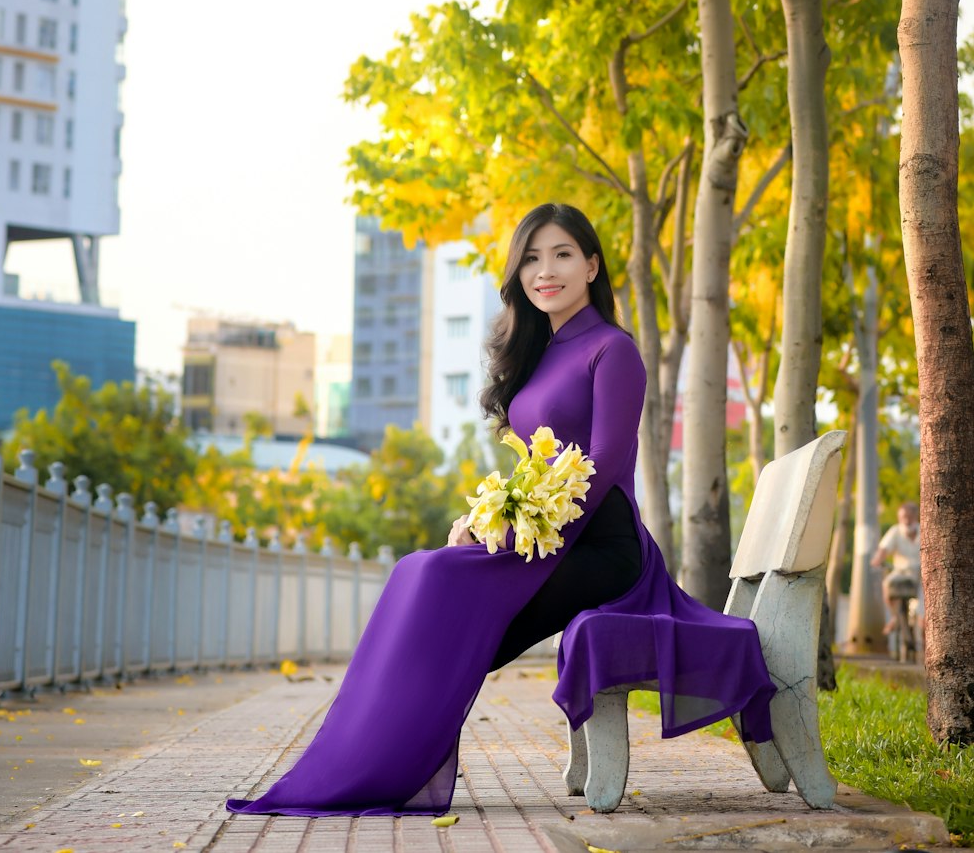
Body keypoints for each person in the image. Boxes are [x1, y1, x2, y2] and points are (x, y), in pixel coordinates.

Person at [226, 203, 776, 819]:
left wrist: (517, 530)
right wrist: (489, 519)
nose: (547, 270)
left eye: (563, 254)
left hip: (604, 545)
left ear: (592, 266)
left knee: (442, 589)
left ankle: (379, 766)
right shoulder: (540, 352)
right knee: (420, 571)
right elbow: (537, 468)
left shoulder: (612, 350)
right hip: (552, 535)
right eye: (533, 258)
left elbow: (600, 464)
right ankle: (359, 761)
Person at [871, 502, 923, 642]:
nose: (906, 520)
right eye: (902, 517)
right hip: (901, 573)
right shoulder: (895, 531)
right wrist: (877, 559)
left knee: (923, 614)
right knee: (887, 585)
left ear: (915, 516)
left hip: (920, 576)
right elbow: (884, 549)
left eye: (909, 516)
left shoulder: (924, 530)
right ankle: (895, 616)